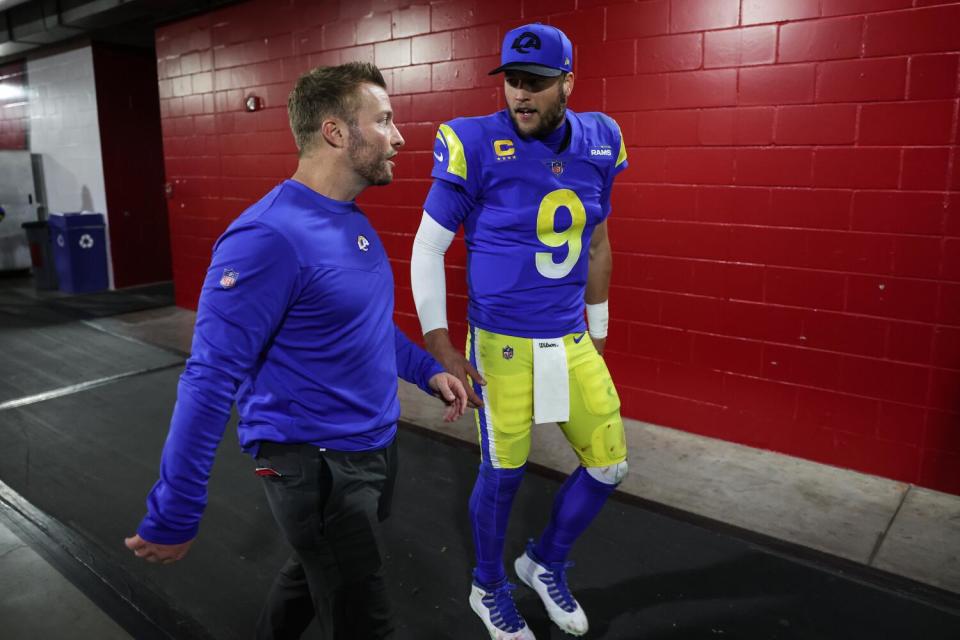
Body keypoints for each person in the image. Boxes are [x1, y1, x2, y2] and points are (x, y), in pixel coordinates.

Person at [125, 62, 467, 640]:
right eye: (383, 120)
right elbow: (209, 378)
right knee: (365, 619)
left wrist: (426, 370)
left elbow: (364, 326)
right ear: (336, 132)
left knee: (314, 571)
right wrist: (176, 508)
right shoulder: (267, 237)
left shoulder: (349, 221)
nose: (400, 136)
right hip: (314, 464)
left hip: (372, 447)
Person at [410, 23, 629, 639]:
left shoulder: (601, 139)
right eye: (511, 80)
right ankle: (488, 586)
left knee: (610, 465)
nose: (520, 94)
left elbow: (600, 241)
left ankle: (544, 562)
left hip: (568, 337)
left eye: (536, 82)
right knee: (503, 474)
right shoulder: (474, 142)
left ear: (568, 83)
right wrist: (440, 342)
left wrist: (599, 327)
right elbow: (429, 249)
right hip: (501, 344)